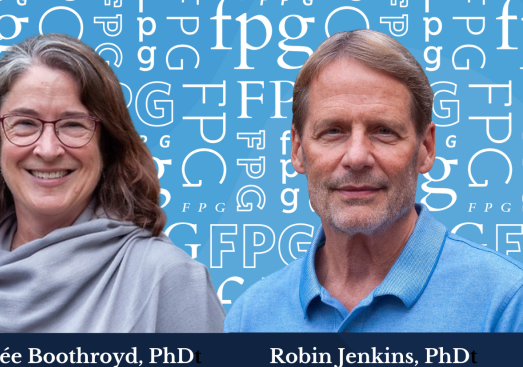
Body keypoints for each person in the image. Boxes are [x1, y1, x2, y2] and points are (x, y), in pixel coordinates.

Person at [224, 30, 523, 332]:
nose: (356, 157)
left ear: (426, 149)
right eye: (332, 131)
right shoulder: (250, 320)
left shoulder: (506, 304)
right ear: (298, 149)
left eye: (383, 131)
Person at [0, 33, 224, 333]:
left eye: (73, 125)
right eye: (26, 123)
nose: (49, 149)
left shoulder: (168, 279)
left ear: (107, 147)